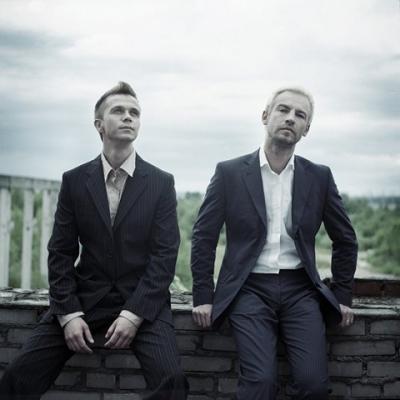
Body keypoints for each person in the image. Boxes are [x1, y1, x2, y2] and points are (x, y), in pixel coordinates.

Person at [0, 82, 188, 400]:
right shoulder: (75, 181)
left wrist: (133, 314)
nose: (128, 117)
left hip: (142, 301)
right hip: (84, 297)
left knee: (172, 382)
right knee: (18, 376)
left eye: (135, 112)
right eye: (119, 111)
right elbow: (60, 252)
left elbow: (165, 256)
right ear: (99, 125)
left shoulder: (160, 182)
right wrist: (68, 314)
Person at [191, 87, 358, 400]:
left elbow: (345, 240)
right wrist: (202, 295)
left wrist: (342, 295)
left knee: (313, 386)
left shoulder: (319, 176)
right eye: (283, 110)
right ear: (265, 116)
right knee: (260, 384)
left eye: (300, 115)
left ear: (306, 129)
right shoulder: (229, 173)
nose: (290, 118)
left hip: (301, 290)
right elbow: (204, 236)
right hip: (248, 289)